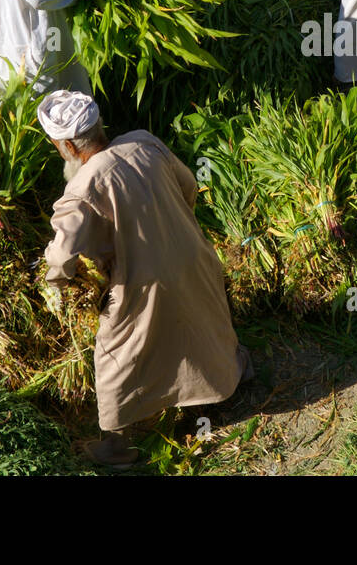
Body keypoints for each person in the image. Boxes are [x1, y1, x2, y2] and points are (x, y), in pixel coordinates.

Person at [36, 90, 252, 468]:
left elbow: (62, 254)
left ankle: (117, 446)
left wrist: (55, 281)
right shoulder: (144, 142)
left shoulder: (83, 187)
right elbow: (189, 187)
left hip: (142, 282)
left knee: (116, 353)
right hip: (194, 257)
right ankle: (236, 373)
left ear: (67, 144)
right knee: (205, 318)